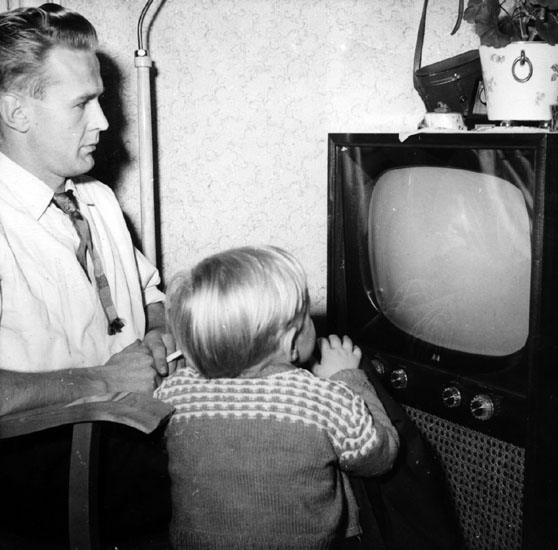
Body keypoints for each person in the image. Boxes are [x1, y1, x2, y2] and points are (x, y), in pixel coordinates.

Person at [0, 4, 176, 542]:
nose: (103, 121)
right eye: (82, 104)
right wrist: (103, 380)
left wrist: (158, 332)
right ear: (16, 112)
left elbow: (149, 294)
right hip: (39, 489)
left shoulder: (97, 199)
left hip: (133, 457)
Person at [154, 245, 400, 550]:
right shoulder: (324, 399)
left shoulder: (172, 393)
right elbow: (380, 457)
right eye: (306, 314)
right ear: (291, 342)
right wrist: (348, 377)